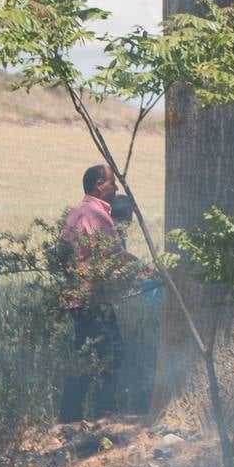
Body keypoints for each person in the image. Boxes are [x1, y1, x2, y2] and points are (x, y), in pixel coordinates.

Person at [59, 164, 135, 423]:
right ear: (98, 186)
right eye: (112, 184)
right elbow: (114, 257)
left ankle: (70, 416)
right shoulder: (98, 215)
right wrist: (144, 268)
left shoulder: (75, 213)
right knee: (112, 351)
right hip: (93, 299)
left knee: (85, 353)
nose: (115, 189)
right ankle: (104, 413)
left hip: (77, 299)